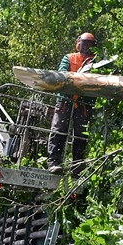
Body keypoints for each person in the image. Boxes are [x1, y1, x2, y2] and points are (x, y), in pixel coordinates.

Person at [47, 32, 97, 176]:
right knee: (59, 130)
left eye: (90, 44)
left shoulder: (96, 62)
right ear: (78, 43)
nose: (87, 46)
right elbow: (61, 74)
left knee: (81, 135)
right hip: (65, 101)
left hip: (84, 103)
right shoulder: (69, 58)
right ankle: (54, 162)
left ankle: (78, 166)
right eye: (85, 43)